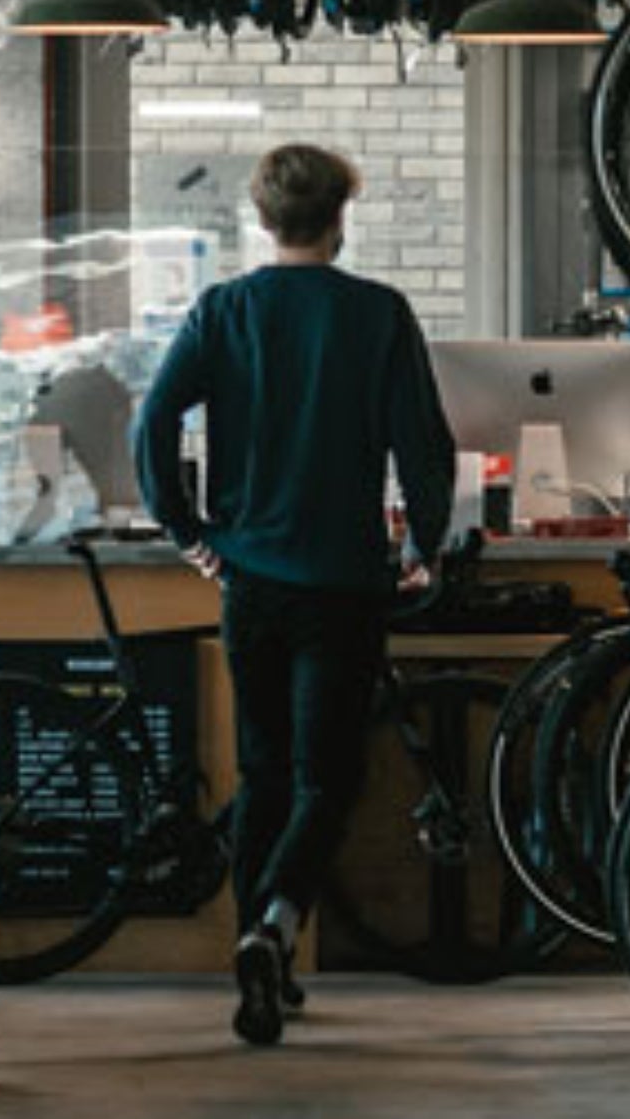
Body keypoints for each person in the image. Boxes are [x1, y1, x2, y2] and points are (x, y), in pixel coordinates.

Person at [132, 143, 457, 1046]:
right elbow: (421, 443)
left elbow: (153, 419)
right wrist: (426, 541)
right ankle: (275, 927)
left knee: (264, 771)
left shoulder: (224, 310)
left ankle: (255, 942)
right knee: (330, 777)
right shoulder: (379, 314)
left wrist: (187, 528)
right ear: (339, 217)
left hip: (251, 583)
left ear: (264, 217)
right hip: (345, 584)